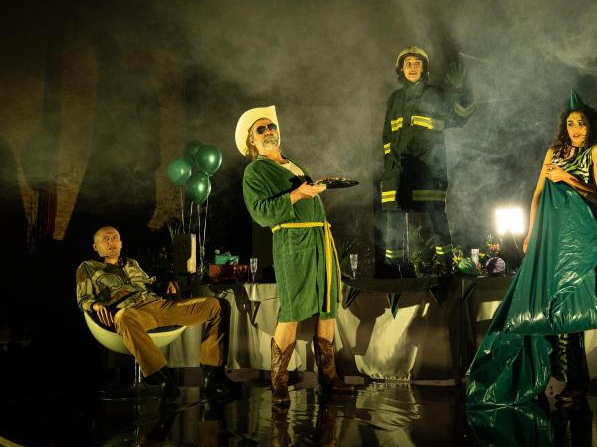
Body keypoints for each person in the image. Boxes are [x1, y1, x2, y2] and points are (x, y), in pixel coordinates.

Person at [466, 91, 597, 406]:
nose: (576, 129)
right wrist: (532, 232)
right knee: (540, 305)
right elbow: (537, 195)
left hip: (575, 236)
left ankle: (574, 381)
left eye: (581, 123)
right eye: (571, 123)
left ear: (591, 126)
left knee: (567, 308)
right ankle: (545, 376)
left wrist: (567, 177)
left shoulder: (596, 151)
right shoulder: (554, 152)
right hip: (548, 234)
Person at [236, 105, 353, 405]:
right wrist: (299, 194)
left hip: (319, 239)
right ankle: (279, 383)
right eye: (261, 129)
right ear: (251, 140)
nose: (268, 131)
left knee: (327, 306)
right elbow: (261, 213)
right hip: (292, 242)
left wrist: (313, 190)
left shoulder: (292, 163)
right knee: (291, 309)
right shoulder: (255, 172)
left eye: (271, 127)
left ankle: (329, 376)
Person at [76, 226, 240, 399]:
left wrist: (165, 285)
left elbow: (149, 283)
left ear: (121, 243)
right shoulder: (88, 267)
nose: (111, 242)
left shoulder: (131, 263)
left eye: (115, 238)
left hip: (160, 306)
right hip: (133, 313)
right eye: (106, 239)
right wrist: (96, 306)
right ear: (95, 247)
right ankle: (163, 380)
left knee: (217, 305)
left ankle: (212, 376)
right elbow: (83, 298)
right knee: (123, 316)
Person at [380, 45, 475, 276]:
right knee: (393, 216)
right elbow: (387, 137)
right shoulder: (395, 99)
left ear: (424, 69)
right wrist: (389, 170)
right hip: (398, 170)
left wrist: (459, 90)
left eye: (417, 63)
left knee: (436, 214)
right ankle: (396, 270)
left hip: (429, 169)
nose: (412, 67)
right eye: (408, 63)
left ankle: (447, 266)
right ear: (401, 69)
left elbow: (461, 117)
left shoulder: (437, 94)